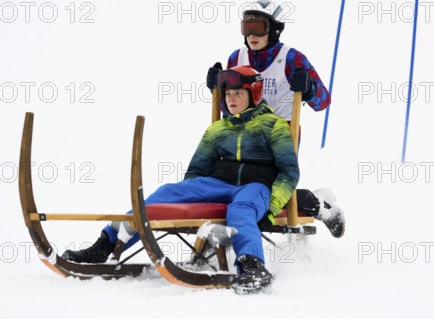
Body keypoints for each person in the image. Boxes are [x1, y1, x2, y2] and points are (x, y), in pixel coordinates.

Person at [63, 66, 298, 294]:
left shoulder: (273, 125)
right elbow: (198, 169)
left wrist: (271, 208)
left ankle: (253, 266)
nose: (231, 99)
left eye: (238, 93)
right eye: (227, 94)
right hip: (217, 183)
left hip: (255, 185)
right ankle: (104, 246)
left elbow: (289, 172)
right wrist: (190, 203)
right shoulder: (217, 129)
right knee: (164, 193)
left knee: (242, 209)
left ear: (253, 94)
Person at [206, 0, 344, 238]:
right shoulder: (236, 58)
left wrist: (308, 88)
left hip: (279, 132)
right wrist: (216, 89)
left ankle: (321, 206)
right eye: (245, 27)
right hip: (242, 131)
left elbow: (323, 101)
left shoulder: (291, 58)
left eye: (258, 27)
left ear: (274, 29)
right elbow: (228, 108)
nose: (251, 34)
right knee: (228, 182)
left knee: (265, 189)